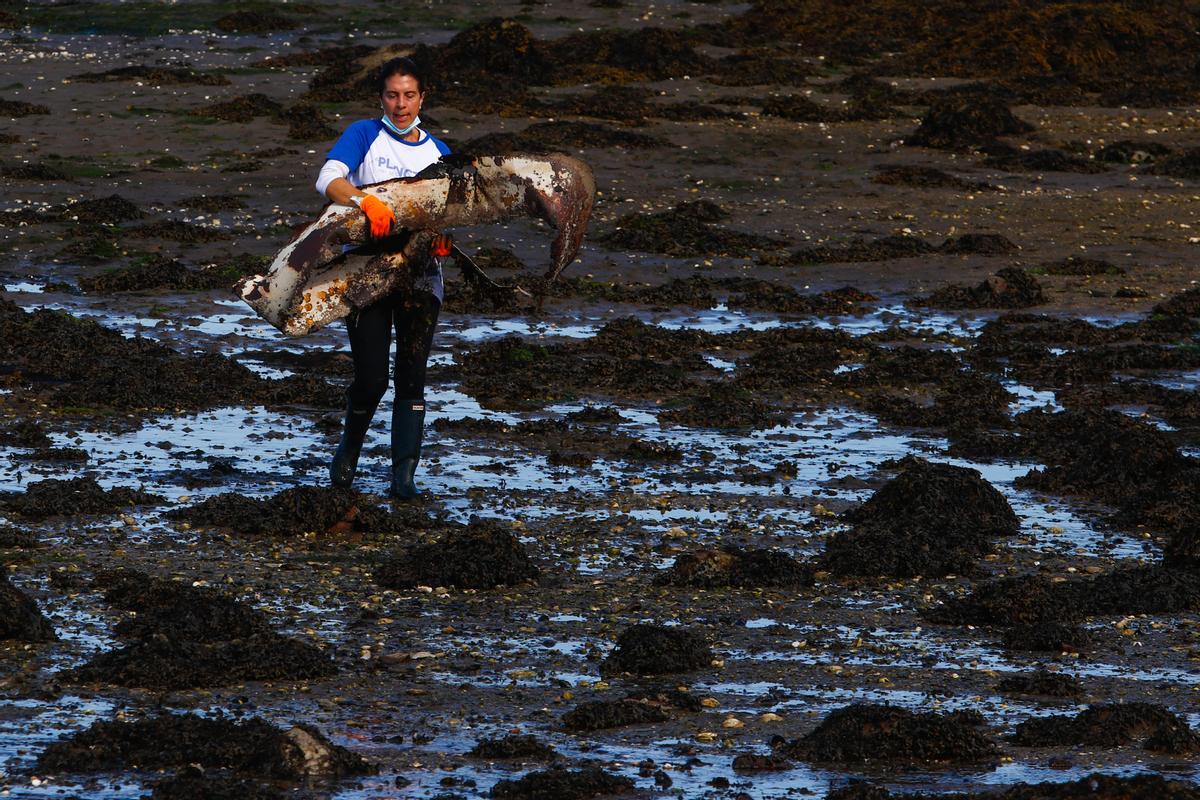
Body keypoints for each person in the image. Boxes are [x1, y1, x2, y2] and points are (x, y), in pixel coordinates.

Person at [313, 56, 450, 499]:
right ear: (382, 97)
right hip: (367, 273)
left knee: (412, 377)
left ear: (422, 97)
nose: (401, 104)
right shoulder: (363, 135)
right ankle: (348, 452)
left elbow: (450, 210)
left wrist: (444, 238)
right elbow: (328, 179)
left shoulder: (439, 152)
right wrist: (362, 202)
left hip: (421, 277)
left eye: (409, 95)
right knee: (372, 377)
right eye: (393, 94)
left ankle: (403, 479)